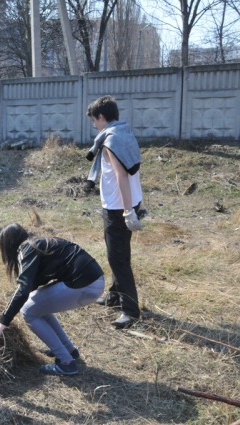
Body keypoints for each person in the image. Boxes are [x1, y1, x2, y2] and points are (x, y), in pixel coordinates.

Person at [0, 223, 104, 376]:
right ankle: (68, 350)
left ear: (9, 245)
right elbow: (30, 289)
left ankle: (66, 363)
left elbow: (24, 289)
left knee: (29, 311)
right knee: (36, 305)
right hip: (95, 282)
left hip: (84, 284)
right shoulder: (37, 244)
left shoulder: (27, 248)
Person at [86, 95, 144, 329]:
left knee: (118, 259)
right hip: (124, 203)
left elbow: (122, 176)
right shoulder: (124, 133)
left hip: (118, 207)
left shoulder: (110, 141)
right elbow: (135, 172)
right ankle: (114, 295)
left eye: (94, 120)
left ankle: (130, 311)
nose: (94, 125)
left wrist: (128, 211)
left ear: (101, 117)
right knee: (116, 252)